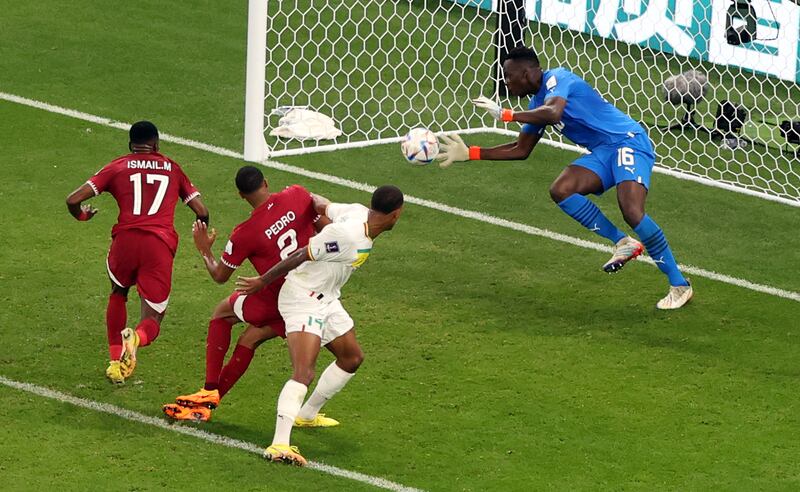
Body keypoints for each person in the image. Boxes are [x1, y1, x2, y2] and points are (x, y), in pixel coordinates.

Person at [437, 46, 692, 309]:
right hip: (604, 151)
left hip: (628, 142)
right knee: (562, 189)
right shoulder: (536, 104)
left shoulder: (557, 79)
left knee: (631, 210)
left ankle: (679, 284)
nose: (506, 82)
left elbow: (554, 113)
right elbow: (521, 149)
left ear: (526, 73)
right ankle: (622, 242)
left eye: (508, 76)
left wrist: (506, 115)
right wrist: (471, 152)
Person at [235, 185, 404, 466]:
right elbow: (303, 253)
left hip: (328, 298)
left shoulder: (356, 212)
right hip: (303, 298)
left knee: (351, 358)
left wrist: (303, 196)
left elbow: (322, 204)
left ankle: (307, 414)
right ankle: (279, 444)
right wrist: (263, 281)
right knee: (304, 371)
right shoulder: (347, 235)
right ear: (396, 215)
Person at [163, 165, 339, 425]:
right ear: (265, 182)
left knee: (222, 312)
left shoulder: (244, 232)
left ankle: (209, 389)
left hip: (282, 297)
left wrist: (204, 249)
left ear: (240, 195)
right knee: (252, 337)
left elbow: (220, 276)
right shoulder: (298, 194)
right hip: (318, 290)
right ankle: (209, 403)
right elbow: (327, 229)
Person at [65, 121, 209, 383]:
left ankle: (114, 362)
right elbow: (202, 210)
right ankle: (136, 338)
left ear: (131, 145)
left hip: (126, 242)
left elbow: (73, 200)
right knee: (153, 317)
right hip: (158, 246)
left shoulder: (118, 166)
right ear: (156, 144)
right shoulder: (173, 168)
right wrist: (203, 236)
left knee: (118, 292)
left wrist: (83, 217)